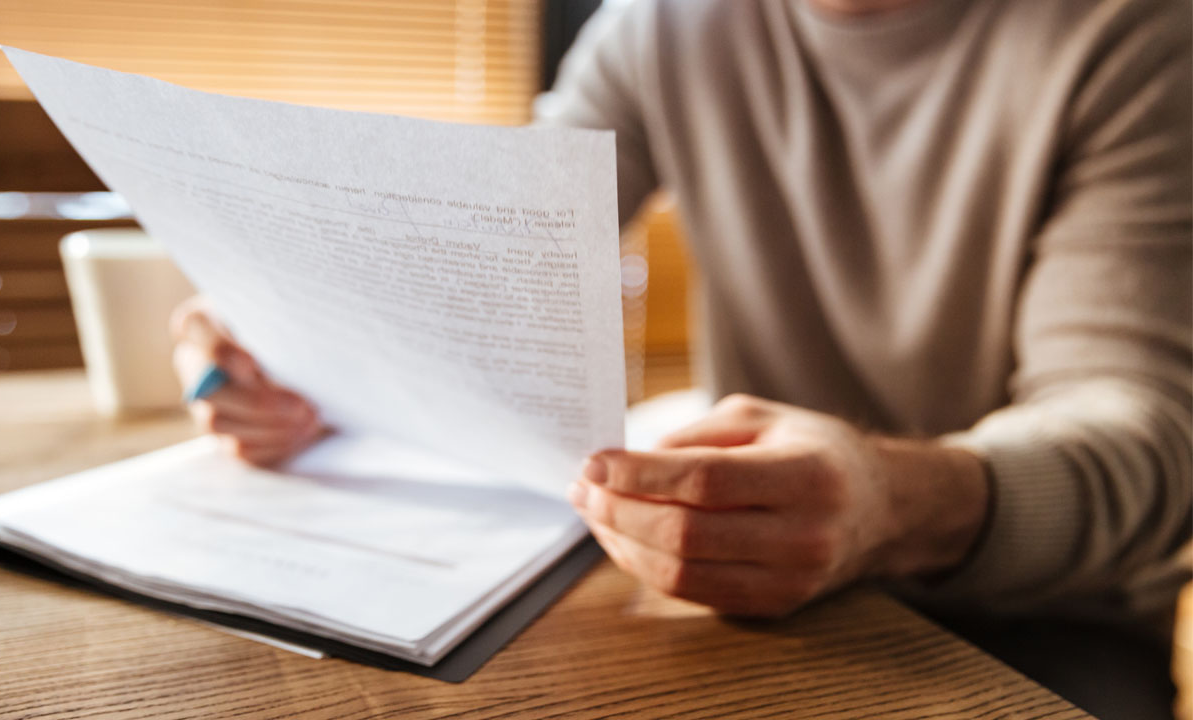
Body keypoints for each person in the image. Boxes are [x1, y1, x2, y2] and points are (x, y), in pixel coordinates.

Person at [173, 0, 1190, 707]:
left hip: (1039, 626)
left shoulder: (1135, 35)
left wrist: (888, 501)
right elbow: (483, 252)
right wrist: (287, 323)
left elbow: (1143, 429)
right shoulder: (660, 27)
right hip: (740, 608)